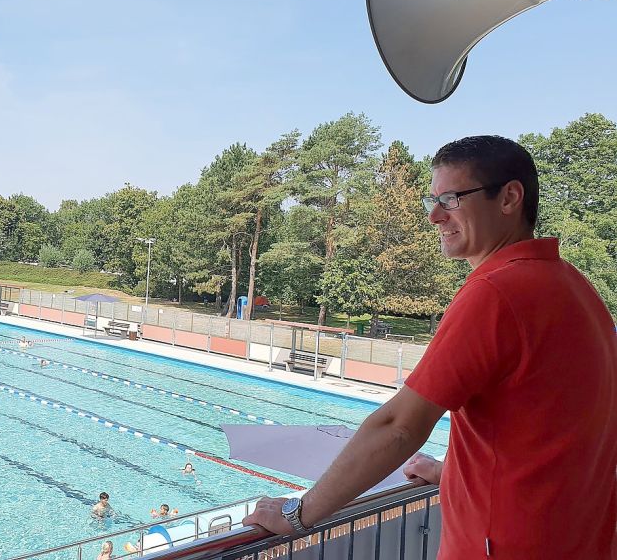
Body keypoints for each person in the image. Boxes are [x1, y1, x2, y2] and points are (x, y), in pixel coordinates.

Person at [242, 136, 617, 559]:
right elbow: (552, 431)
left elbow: (400, 426)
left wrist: (298, 513)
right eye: (432, 200)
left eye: (452, 199)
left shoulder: (496, 293)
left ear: (510, 197)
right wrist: (451, 473)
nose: (435, 216)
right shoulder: (574, 288)